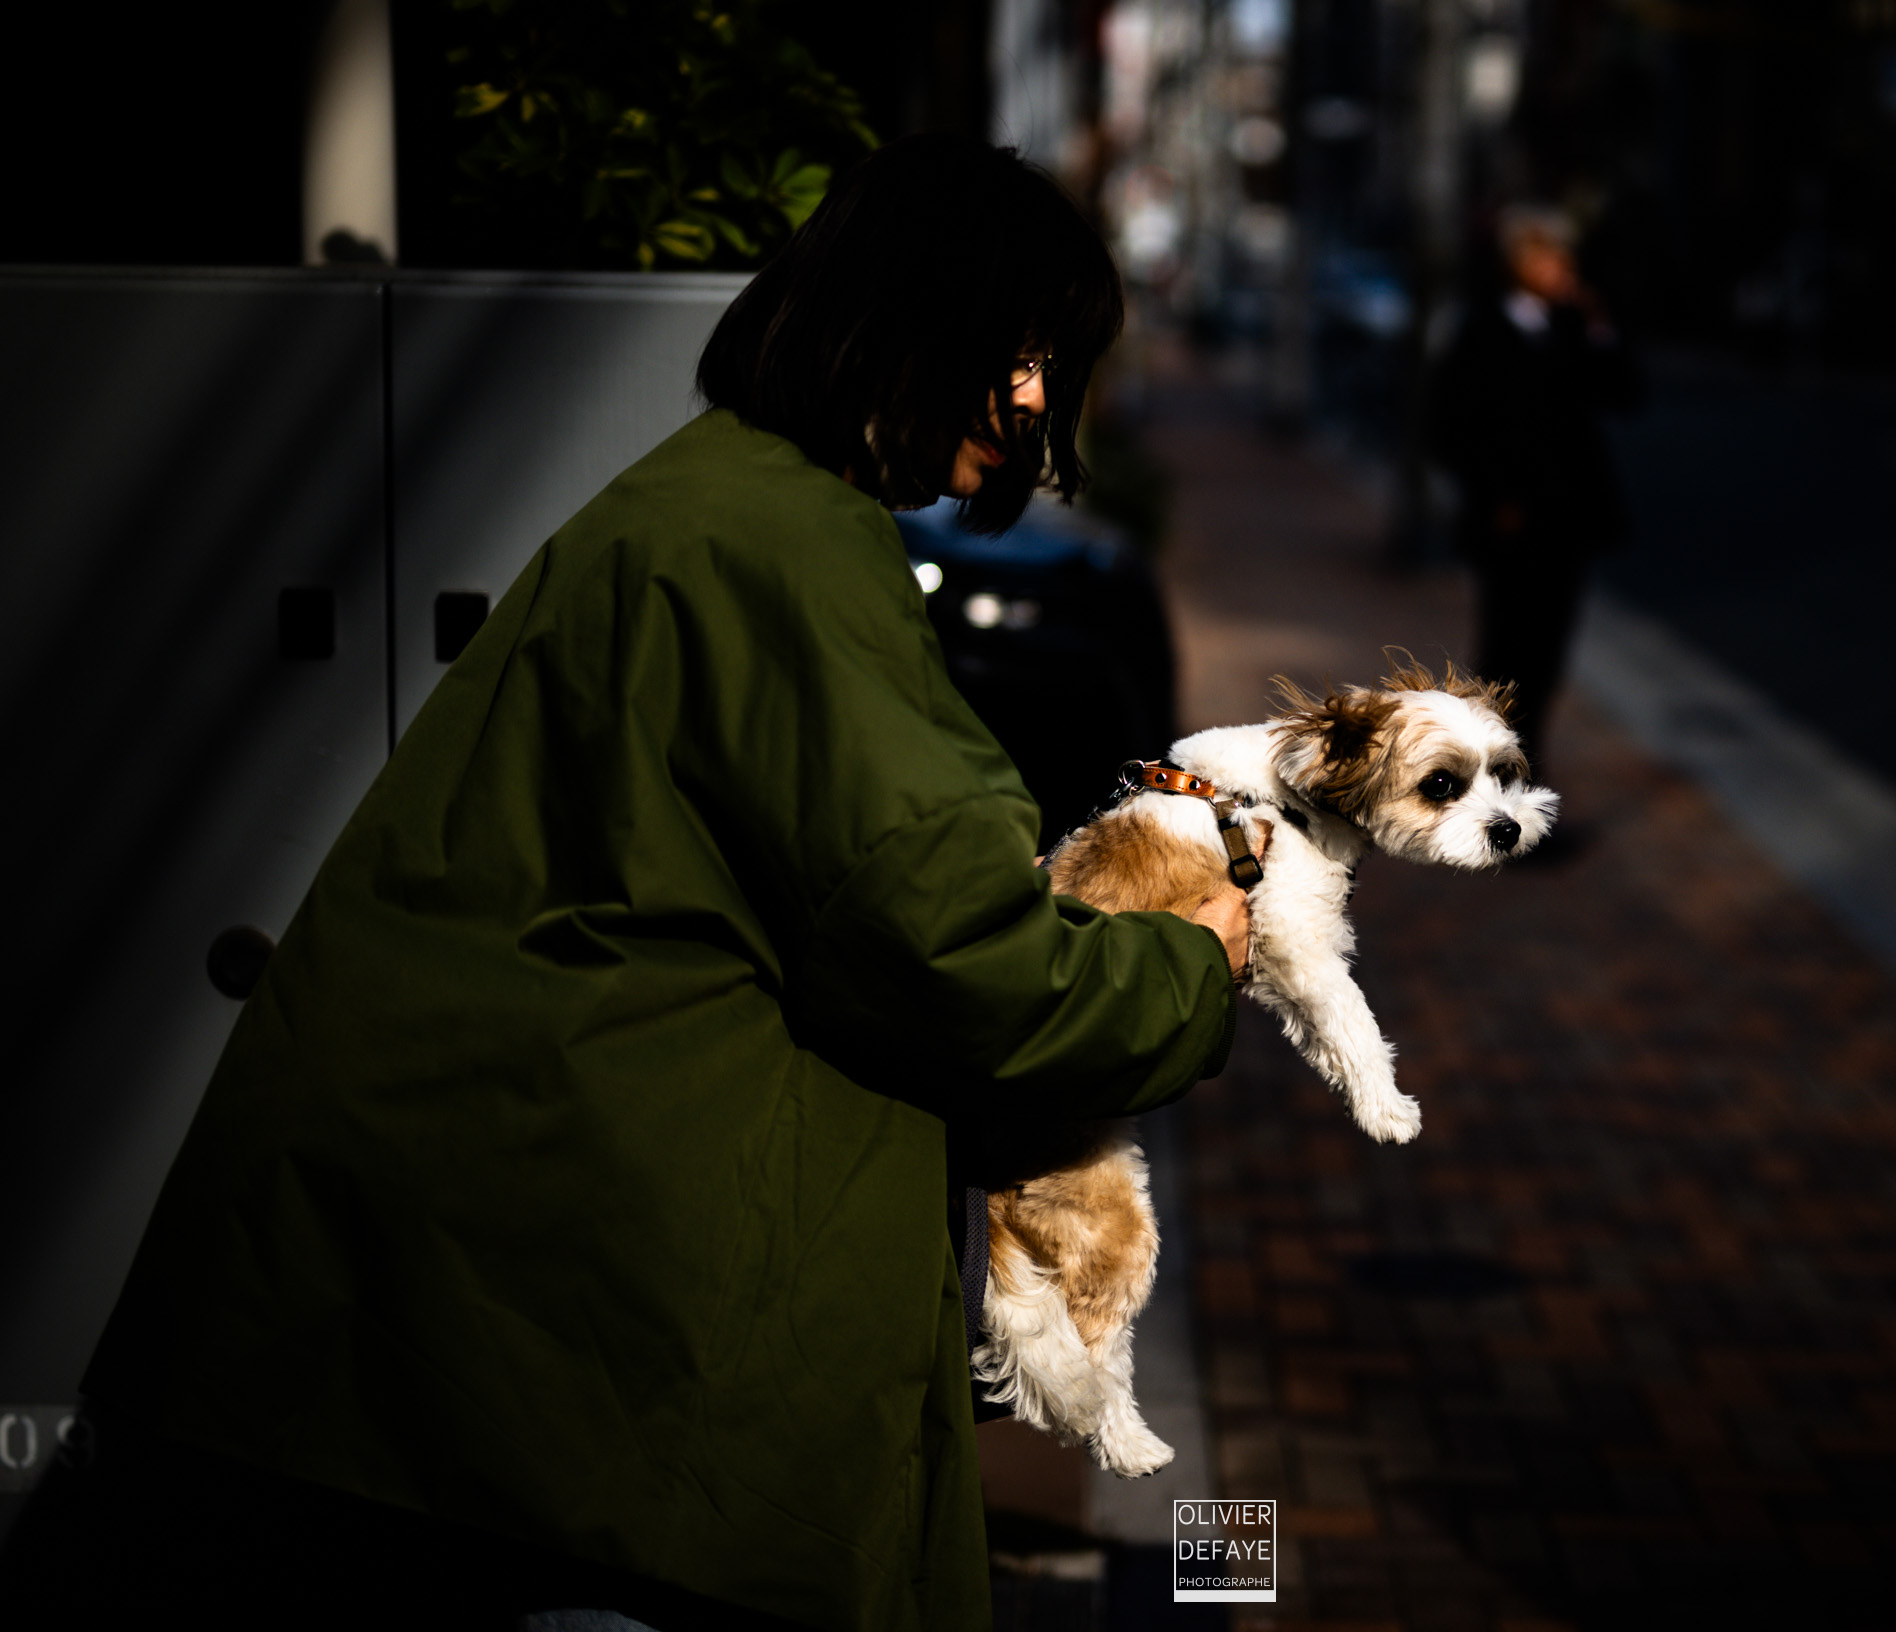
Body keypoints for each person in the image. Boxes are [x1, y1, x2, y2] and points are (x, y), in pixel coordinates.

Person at [0, 137, 1248, 1628]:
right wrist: (1199, 960)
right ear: (902, 318)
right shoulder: (781, 548)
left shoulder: (719, 507)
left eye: (1053, 362)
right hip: (594, 1320)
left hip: (471, 1287)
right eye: (1019, 349)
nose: (1035, 399)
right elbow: (956, 956)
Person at [1427, 204, 1639, 781]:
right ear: (1519, 262)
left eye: (1563, 256)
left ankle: (1519, 788)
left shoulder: (1570, 326)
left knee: (1544, 664)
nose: (1559, 267)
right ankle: (1495, 792)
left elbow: (1625, 395)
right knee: (1507, 662)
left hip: (1568, 526)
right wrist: (1498, 497)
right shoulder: (1481, 331)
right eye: (1547, 255)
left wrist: (1597, 323)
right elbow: (1448, 429)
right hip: (1511, 530)